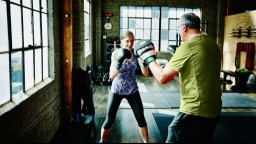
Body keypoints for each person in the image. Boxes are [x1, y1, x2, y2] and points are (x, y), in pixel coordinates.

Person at [134, 13, 222, 143]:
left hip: (195, 109)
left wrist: (148, 58)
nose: (179, 31)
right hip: (214, 108)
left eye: (178, 28)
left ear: (184, 27)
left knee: (174, 132)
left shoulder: (188, 46)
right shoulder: (212, 44)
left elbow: (162, 78)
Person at [99, 30, 150, 143]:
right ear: (122, 41)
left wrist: (144, 63)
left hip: (132, 90)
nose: (130, 44)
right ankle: (102, 141)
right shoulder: (116, 54)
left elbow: (146, 74)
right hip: (117, 90)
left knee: (141, 119)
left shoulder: (137, 54)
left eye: (132, 41)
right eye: (127, 41)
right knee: (109, 120)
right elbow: (112, 75)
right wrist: (120, 61)